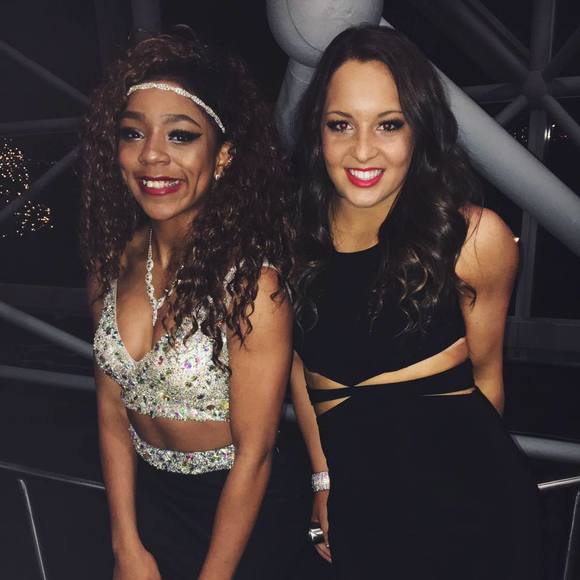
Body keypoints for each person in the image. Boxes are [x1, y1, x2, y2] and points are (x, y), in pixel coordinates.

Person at [290, 25, 544, 580]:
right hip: (361, 508)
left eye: (389, 124)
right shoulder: (293, 241)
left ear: (419, 129)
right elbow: (301, 371)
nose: (362, 150)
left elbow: (488, 380)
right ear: (317, 131)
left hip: (473, 512)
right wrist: (323, 480)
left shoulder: (472, 239)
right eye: (340, 124)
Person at [80, 33, 296, 580]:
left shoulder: (252, 286)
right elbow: (111, 412)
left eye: (180, 135)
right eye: (133, 133)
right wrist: (125, 545)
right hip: (148, 506)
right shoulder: (111, 263)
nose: (152, 154)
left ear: (222, 156)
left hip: (238, 519)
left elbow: (255, 455)